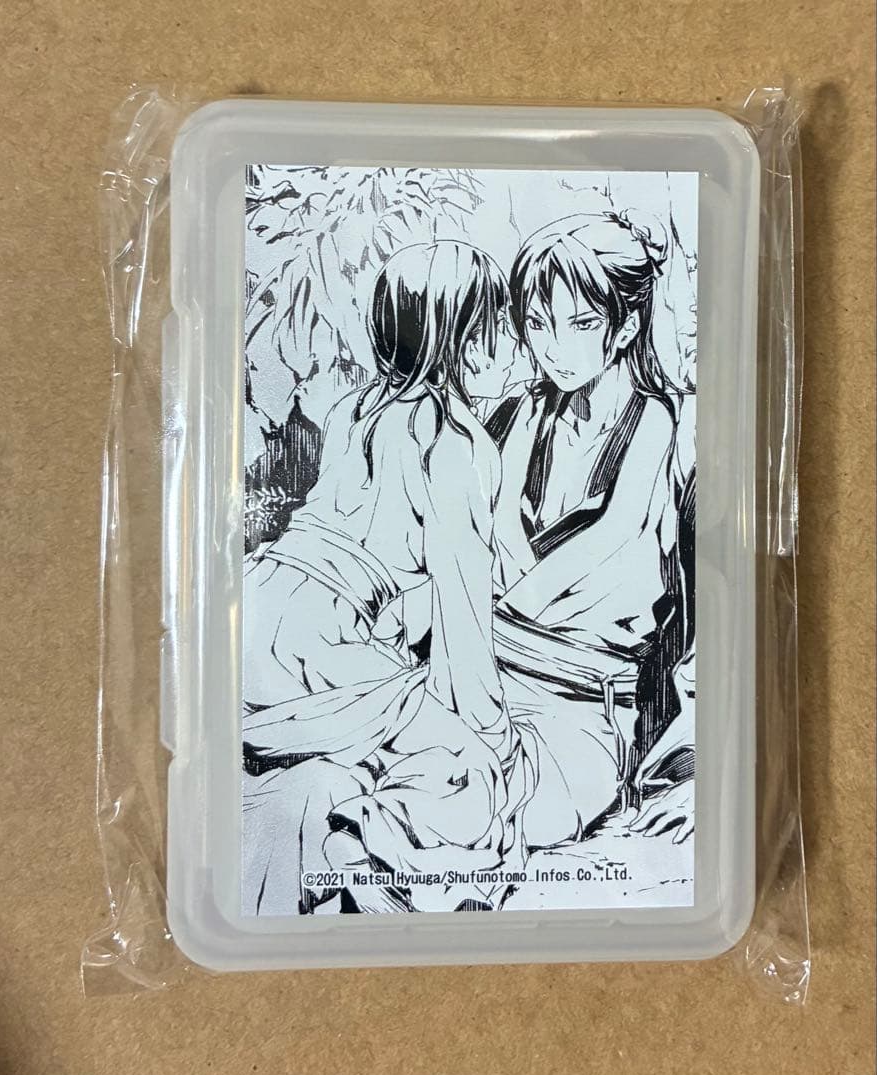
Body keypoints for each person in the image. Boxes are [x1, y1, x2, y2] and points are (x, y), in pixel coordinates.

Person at [242, 240, 533, 916]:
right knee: (472, 774)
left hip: (262, 610)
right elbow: (463, 615)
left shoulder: (354, 410)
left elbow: (369, 550)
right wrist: (493, 732)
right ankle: (353, 853)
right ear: (459, 340)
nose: (513, 346)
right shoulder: (455, 444)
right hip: (321, 647)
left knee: (402, 737)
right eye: (497, 326)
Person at [484, 210, 693, 850]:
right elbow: (490, 521)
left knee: (490, 813)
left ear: (625, 326)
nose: (554, 347)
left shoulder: (652, 420)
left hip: (582, 703)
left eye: (580, 324)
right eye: (537, 324)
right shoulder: (522, 413)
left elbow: (610, 533)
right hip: (485, 675)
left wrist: (498, 605)